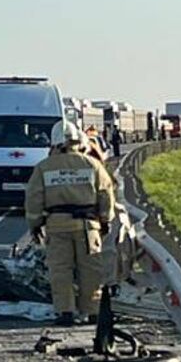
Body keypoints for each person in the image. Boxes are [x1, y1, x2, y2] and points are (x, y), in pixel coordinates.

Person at [24, 119, 116, 326]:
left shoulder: (43, 168)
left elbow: (34, 199)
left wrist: (35, 225)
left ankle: (65, 312)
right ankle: (92, 312)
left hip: (57, 227)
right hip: (88, 227)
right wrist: (106, 219)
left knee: (60, 270)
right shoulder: (92, 164)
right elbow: (106, 194)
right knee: (91, 271)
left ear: (54, 143)